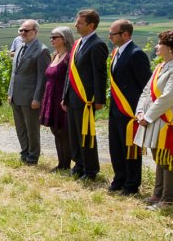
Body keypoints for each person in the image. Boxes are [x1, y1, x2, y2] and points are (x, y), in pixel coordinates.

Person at [136, 30, 173, 207]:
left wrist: (148, 117)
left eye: (160, 44)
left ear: (170, 48)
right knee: (159, 158)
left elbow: (167, 98)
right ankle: (157, 194)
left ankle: (167, 199)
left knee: (169, 161)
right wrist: (139, 111)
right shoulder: (162, 66)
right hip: (153, 119)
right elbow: (147, 91)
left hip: (166, 122)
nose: (157, 46)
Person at [105, 19, 152, 195]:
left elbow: (146, 85)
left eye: (112, 33)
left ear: (125, 34)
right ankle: (119, 178)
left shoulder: (136, 54)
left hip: (130, 111)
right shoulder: (116, 52)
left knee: (130, 150)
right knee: (116, 147)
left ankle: (131, 184)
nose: (109, 36)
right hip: (116, 109)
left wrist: (141, 109)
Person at [66, 9, 109, 180]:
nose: (76, 25)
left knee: (86, 135)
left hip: (86, 99)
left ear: (91, 25)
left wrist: (99, 99)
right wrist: (65, 96)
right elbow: (70, 73)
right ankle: (79, 164)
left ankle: (90, 169)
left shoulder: (97, 44)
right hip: (73, 97)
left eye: (80, 22)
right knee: (75, 135)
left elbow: (99, 74)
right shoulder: (78, 43)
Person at [6, 19, 47, 165]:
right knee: (20, 128)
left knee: (32, 128)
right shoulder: (19, 47)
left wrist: (37, 98)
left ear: (35, 32)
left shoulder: (42, 50)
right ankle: (24, 152)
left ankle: (33, 156)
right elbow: (14, 73)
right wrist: (10, 92)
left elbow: (42, 78)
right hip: (16, 96)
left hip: (30, 97)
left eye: (26, 30)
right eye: (21, 30)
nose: (23, 33)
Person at [39, 27, 75, 172]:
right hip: (51, 97)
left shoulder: (68, 57)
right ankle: (61, 163)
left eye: (55, 37)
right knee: (55, 130)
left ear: (64, 38)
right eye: (51, 37)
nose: (51, 40)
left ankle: (66, 163)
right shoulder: (55, 56)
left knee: (63, 131)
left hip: (61, 98)